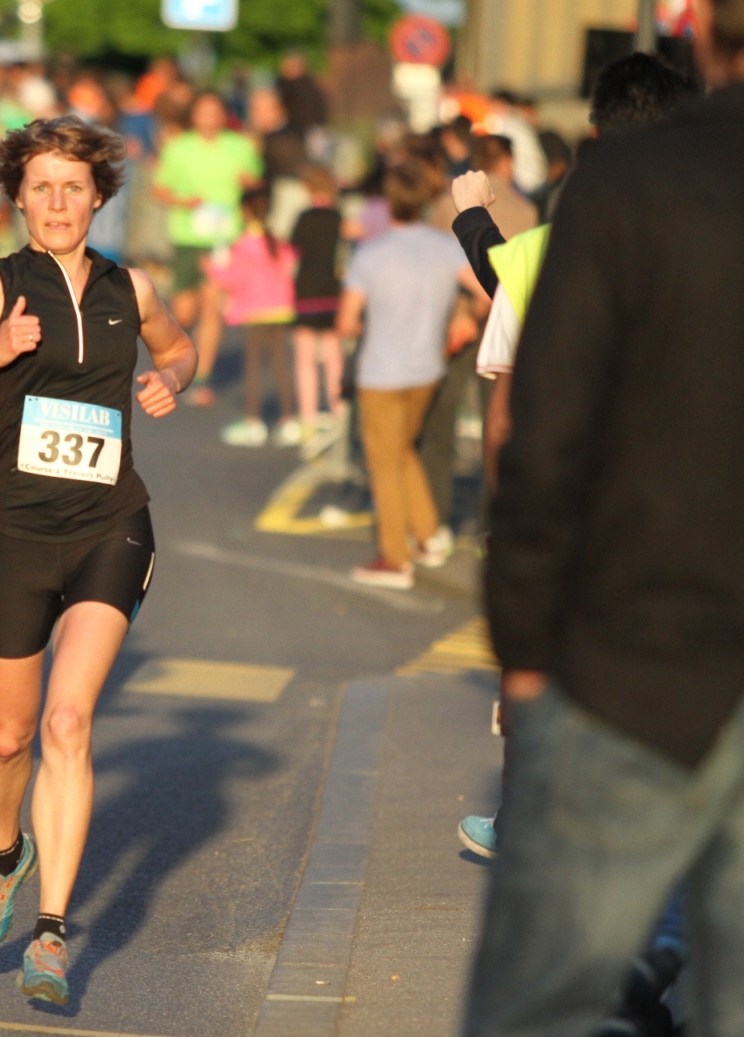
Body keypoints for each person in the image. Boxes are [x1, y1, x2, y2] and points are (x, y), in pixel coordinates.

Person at [468, 0, 744, 1029]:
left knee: (550, 990)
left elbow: (540, 437)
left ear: (701, 33)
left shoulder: (625, 188)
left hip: (640, 646)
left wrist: (524, 652)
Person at [0, 116, 197, 1006]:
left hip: (111, 524)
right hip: (12, 536)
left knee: (68, 723)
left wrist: (170, 379)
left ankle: (51, 933)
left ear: (99, 197)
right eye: (41, 188)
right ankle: (4, 853)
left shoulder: (129, 286)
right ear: (18, 201)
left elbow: (179, 346)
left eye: (74, 187)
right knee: (8, 736)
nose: (58, 203)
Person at [336, 162, 488, 589]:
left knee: (383, 463)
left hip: (381, 372)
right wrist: (463, 318)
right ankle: (428, 535)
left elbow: (347, 321)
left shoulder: (371, 254)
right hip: (428, 368)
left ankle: (394, 558)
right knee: (403, 451)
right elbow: (487, 290)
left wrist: (367, 325)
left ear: (389, 202)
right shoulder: (446, 248)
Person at [152, 92, 262, 407]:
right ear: (193, 115)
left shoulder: (240, 146)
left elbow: (255, 183)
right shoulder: (178, 147)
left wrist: (248, 182)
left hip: (224, 236)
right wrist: (183, 201)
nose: (210, 117)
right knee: (184, 311)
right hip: (188, 234)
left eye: (215, 111)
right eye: (204, 111)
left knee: (213, 306)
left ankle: (202, 377)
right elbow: (159, 189)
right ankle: (177, 354)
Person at [214, 187, 300, 448]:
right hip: (281, 310)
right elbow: (290, 267)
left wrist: (212, 269)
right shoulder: (277, 241)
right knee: (281, 366)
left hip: (255, 311)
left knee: (253, 367)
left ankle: (254, 423)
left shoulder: (243, 244)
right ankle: (289, 421)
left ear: (245, 211)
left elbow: (234, 278)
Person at [289, 165, 345, 436]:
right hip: (334, 291)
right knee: (334, 356)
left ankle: (308, 416)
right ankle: (338, 412)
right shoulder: (339, 219)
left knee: (305, 357)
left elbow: (292, 252)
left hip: (306, 291)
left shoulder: (303, 219)